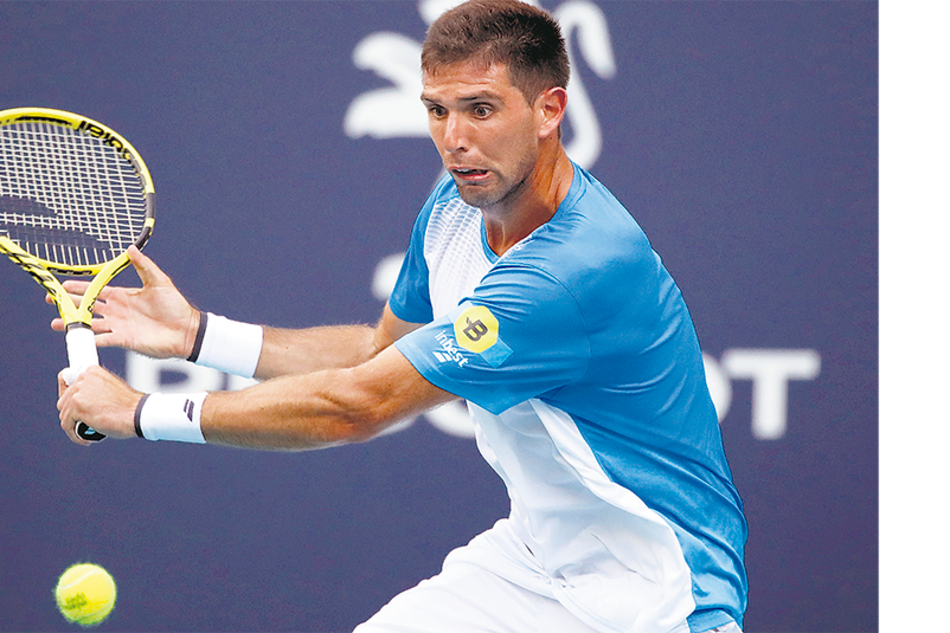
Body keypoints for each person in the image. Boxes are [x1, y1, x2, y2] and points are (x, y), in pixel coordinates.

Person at [54, 1, 748, 631]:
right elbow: (375, 352)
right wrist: (200, 335)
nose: (454, 138)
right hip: (534, 561)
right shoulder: (454, 206)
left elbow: (359, 404)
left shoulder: (573, 270)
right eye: (438, 110)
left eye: (481, 109)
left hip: (660, 597)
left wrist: (139, 411)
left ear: (549, 109)